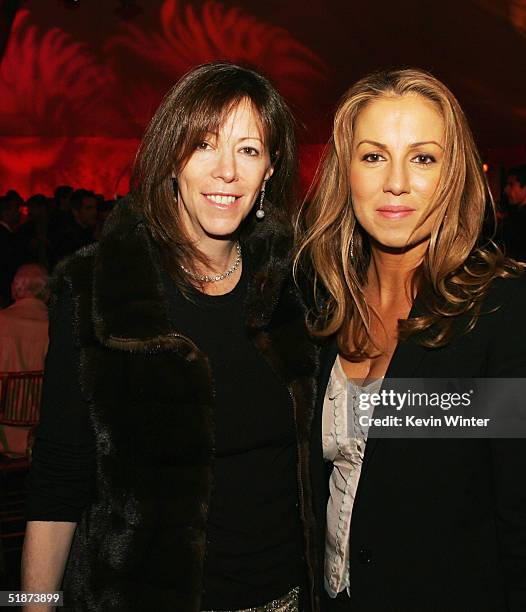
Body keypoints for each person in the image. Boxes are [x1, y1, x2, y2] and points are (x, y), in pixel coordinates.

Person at [22, 63, 320, 612]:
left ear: (270, 171)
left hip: (288, 599)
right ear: (171, 160)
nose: (227, 171)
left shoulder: (297, 289)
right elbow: (59, 475)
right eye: (204, 144)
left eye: (249, 150)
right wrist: (28, 605)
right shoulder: (99, 292)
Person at [295, 69, 526, 611]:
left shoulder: (512, 310)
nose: (397, 182)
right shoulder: (321, 303)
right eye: (374, 156)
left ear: (453, 175)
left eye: (423, 157)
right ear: (345, 172)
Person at [0, 263, 49, 372]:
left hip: (5, 388)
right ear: (47, 293)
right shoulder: (57, 326)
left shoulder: (2, 321)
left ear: (13, 289)